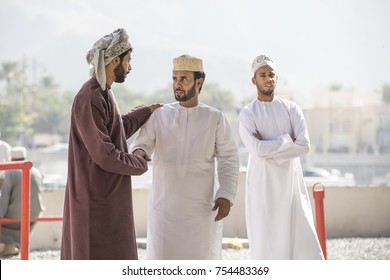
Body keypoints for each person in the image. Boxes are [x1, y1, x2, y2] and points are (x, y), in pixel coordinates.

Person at [60, 28, 162, 260]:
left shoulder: (104, 93)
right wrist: (139, 162)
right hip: (92, 200)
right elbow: (104, 153)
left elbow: (117, 131)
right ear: (115, 59)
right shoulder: (89, 97)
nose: (130, 67)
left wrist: (146, 111)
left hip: (108, 198)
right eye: (128, 61)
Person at [130, 54, 240, 260]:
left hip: (199, 209)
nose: (177, 84)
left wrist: (226, 194)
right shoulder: (160, 115)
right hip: (164, 207)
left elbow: (229, 157)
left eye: (183, 79)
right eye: (174, 78)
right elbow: (142, 143)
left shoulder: (214, 117)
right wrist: (140, 153)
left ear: (199, 82)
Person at [239, 54, 324, 260]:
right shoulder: (248, 113)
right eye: (263, 75)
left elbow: (304, 145)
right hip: (263, 188)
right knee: (266, 245)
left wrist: (269, 149)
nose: (268, 79)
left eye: (271, 75)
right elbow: (257, 150)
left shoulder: (291, 109)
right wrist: (287, 141)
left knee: (305, 245)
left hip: (291, 186)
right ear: (254, 80)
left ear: (277, 78)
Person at [0, 147, 45, 257]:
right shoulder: (36, 171)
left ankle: (10, 245)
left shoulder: (11, 172)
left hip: (18, 215)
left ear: (11, 158)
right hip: (35, 214)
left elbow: (4, 198)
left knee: (7, 220)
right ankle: (14, 246)